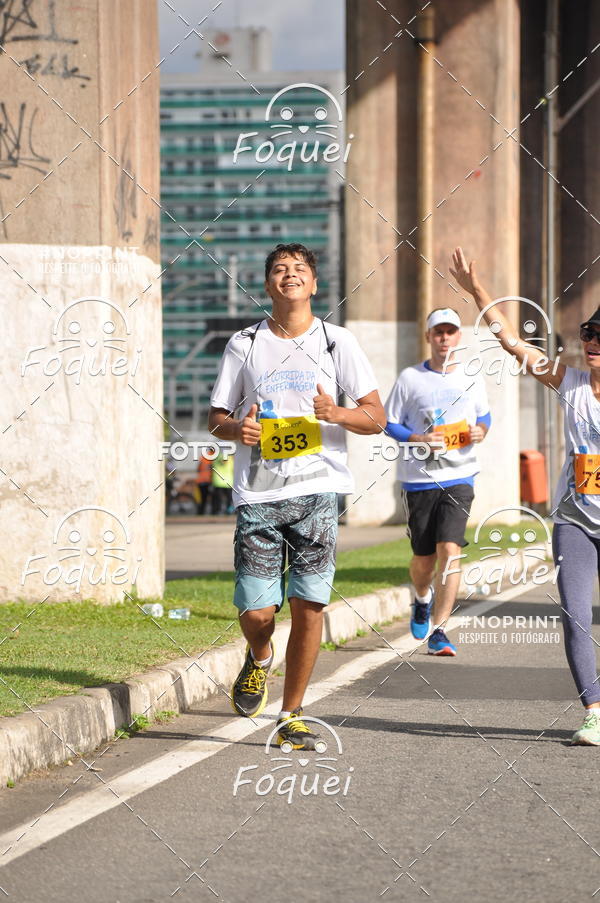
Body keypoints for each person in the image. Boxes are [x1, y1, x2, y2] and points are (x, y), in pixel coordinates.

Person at [208, 242, 386, 749]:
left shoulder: (338, 343)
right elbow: (216, 416)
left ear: (313, 285)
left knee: (310, 604)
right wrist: (234, 429)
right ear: (268, 285)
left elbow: (375, 416)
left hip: (318, 490)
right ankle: (260, 657)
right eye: (280, 270)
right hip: (259, 494)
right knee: (258, 612)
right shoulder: (244, 343)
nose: (290, 275)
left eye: (299, 269)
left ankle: (292, 715)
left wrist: (339, 415)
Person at [450, 245, 600, 745]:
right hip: (575, 520)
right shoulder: (569, 381)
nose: (592, 342)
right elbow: (511, 341)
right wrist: (476, 290)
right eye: (588, 334)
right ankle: (595, 711)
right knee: (576, 616)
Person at [384, 306, 491, 655]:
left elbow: (485, 416)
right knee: (424, 559)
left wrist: (481, 431)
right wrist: (417, 439)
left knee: (451, 550)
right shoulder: (410, 378)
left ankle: (441, 629)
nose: (445, 338)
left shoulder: (471, 378)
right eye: (438, 332)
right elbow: (389, 423)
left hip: (460, 475)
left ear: (459, 337)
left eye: (450, 331)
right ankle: (421, 597)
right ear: (429, 337)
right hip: (419, 480)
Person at [196, 451, 212, 515]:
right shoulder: (213, 457)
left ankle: (201, 512)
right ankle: (211, 512)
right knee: (210, 497)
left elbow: (198, 469)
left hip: (200, 481)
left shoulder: (203, 457)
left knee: (202, 498)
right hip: (208, 480)